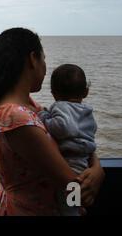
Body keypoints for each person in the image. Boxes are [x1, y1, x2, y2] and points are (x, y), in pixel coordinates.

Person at [0, 27, 104, 216]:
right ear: (32, 59)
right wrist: (97, 174)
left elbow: (75, 139)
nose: (45, 67)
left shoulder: (23, 106)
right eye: (43, 59)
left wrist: (96, 165)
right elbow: (74, 186)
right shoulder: (17, 118)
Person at [38, 64, 97, 216]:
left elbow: (63, 127)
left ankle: (74, 211)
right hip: (83, 160)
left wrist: (44, 117)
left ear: (53, 93)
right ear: (86, 92)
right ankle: (76, 208)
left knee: (66, 201)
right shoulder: (87, 111)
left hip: (69, 160)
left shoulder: (60, 106)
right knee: (71, 198)